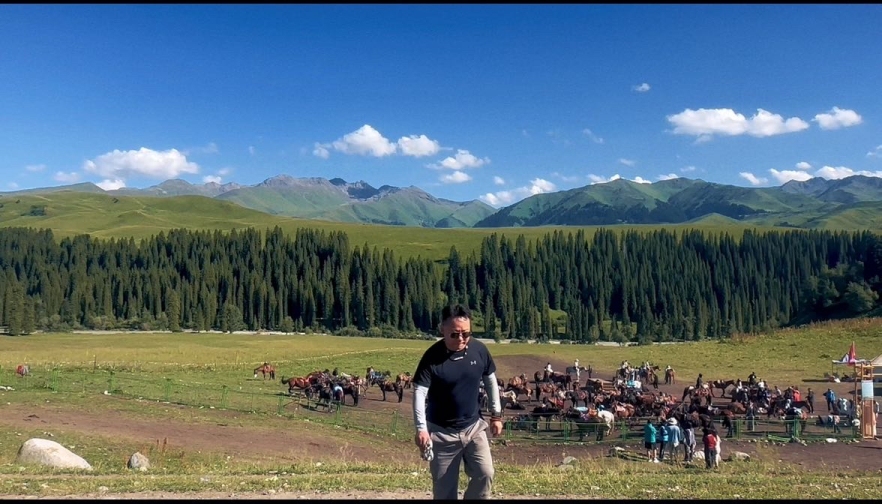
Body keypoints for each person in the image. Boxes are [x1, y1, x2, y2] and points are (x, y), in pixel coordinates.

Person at [412, 304, 503, 500]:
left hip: (473, 427)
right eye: (454, 334)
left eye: (466, 333)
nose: (461, 339)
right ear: (442, 329)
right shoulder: (431, 358)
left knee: (485, 474)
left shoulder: (479, 350)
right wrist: (421, 429)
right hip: (441, 433)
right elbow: (419, 393)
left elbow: (490, 380)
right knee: (444, 492)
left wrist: (496, 415)